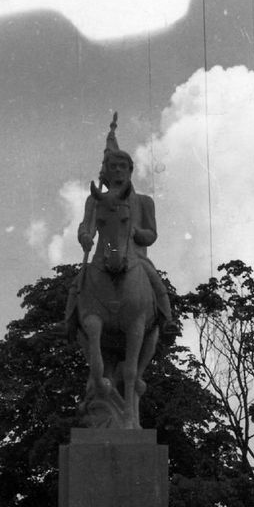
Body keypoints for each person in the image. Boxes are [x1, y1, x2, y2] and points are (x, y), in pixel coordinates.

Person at [66, 115, 178, 342]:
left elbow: (152, 234)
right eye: (113, 166)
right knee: (77, 283)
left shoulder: (144, 202)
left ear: (130, 170)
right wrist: (85, 236)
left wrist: (137, 234)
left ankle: (167, 320)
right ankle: (67, 322)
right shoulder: (96, 201)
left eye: (122, 166)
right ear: (106, 171)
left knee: (155, 281)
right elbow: (86, 225)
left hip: (134, 257)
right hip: (102, 257)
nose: (117, 170)